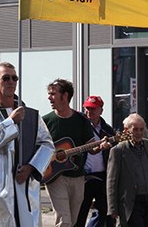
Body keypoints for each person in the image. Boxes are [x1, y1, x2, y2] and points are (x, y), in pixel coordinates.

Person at [0, 62, 55, 227]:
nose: (11, 82)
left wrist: (31, 167)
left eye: (14, 78)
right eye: (6, 78)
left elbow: (47, 144)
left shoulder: (30, 115)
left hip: (25, 185)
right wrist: (10, 122)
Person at [43, 79, 106, 227]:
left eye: (53, 94)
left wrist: (100, 146)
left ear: (65, 96)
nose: (49, 97)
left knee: (74, 222)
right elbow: (38, 147)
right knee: (64, 221)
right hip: (55, 176)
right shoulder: (45, 121)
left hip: (78, 177)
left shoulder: (81, 120)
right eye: (49, 94)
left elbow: (91, 147)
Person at [106, 114, 148, 227]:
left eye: (141, 129)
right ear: (127, 130)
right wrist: (112, 208)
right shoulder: (118, 151)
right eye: (135, 129)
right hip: (132, 202)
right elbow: (112, 181)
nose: (139, 133)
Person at [75, 96, 115, 227]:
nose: (89, 112)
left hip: (102, 175)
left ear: (101, 111)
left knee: (104, 211)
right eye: (87, 108)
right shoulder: (79, 126)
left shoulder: (107, 130)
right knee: (80, 211)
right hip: (83, 176)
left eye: (93, 109)